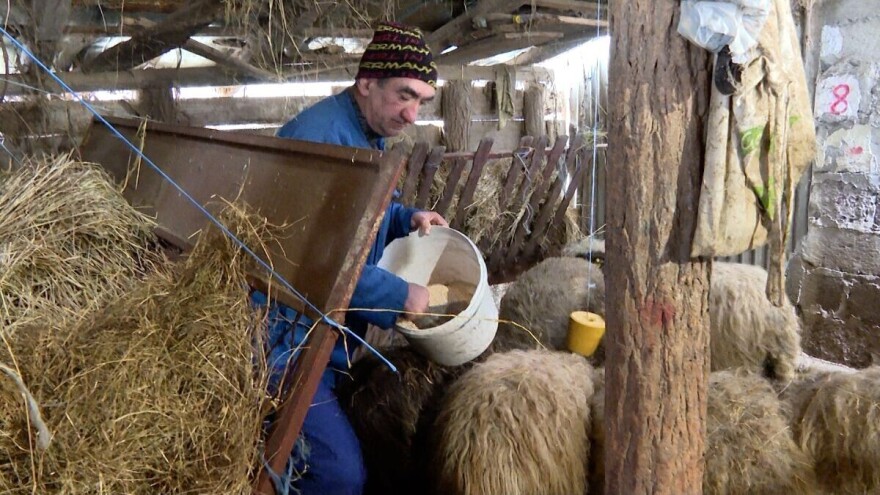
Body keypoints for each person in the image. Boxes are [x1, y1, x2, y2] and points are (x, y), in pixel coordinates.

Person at [254, 21, 447, 495]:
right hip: (284, 340)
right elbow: (316, 264)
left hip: (320, 334)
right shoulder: (322, 142)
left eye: (421, 101)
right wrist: (403, 294)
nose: (412, 114)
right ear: (367, 83)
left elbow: (359, 220)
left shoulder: (363, 134)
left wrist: (406, 218)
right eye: (405, 95)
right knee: (339, 477)